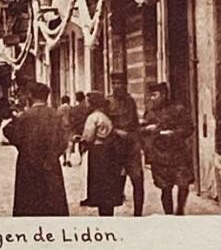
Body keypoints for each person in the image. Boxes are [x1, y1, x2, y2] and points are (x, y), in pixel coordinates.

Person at [2, 82, 69, 216]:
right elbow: (63, 141)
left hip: (28, 163)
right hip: (50, 164)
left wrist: (21, 146)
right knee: (52, 203)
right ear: (47, 97)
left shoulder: (25, 117)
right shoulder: (55, 116)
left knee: (29, 204)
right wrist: (54, 154)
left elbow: (7, 130)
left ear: (31, 96)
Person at [141, 83, 195, 215]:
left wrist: (174, 133)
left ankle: (180, 210)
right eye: (151, 95)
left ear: (164, 95)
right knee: (165, 188)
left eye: (155, 95)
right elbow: (141, 130)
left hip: (178, 153)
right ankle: (169, 214)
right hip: (159, 155)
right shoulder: (150, 112)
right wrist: (148, 130)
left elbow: (189, 128)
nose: (152, 98)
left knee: (183, 184)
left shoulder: (178, 109)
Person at [81, 91, 124, 216]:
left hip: (98, 153)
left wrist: (82, 141)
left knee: (99, 182)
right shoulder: (106, 116)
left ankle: (102, 209)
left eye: (88, 102)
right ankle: (108, 208)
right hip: (109, 151)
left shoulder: (93, 117)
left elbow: (88, 137)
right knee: (108, 182)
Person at [109, 83, 145, 216]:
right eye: (115, 84)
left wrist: (138, 140)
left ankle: (138, 214)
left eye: (120, 83)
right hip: (116, 148)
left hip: (132, 148)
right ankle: (111, 212)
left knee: (138, 180)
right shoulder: (108, 102)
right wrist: (116, 131)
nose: (118, 86)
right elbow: (105, 124)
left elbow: (135, 122)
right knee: (115, 182)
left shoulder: (130, 101)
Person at [68, 91, 89, 163]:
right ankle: (82, 158)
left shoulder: (74, 109)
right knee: (84, 143)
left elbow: (71, 119)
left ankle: (74, 158)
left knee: (75, 142)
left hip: (76, 128)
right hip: (85, 128)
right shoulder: (87, 108)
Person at [56, 95, 74, 167]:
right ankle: (68, 159)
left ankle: (64, 159)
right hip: (70, 126)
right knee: (70, 142)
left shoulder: (59, 108)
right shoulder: (71, 108)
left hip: (62, 126)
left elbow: (57, 117)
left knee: (63, 142)